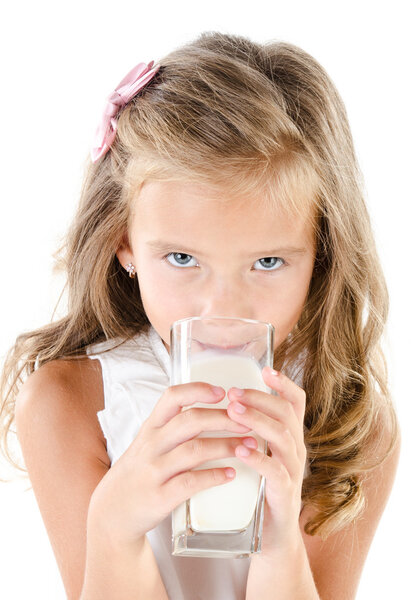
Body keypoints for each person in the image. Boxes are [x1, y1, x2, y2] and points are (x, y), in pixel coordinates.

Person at [0, 31, 401, 600]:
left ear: (322, 254)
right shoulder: (69, 403)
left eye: (267, 261)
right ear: (125, 243)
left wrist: (280, 537)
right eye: (183, 258)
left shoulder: (352, 424)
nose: (223, 309)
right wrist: (115, 527)